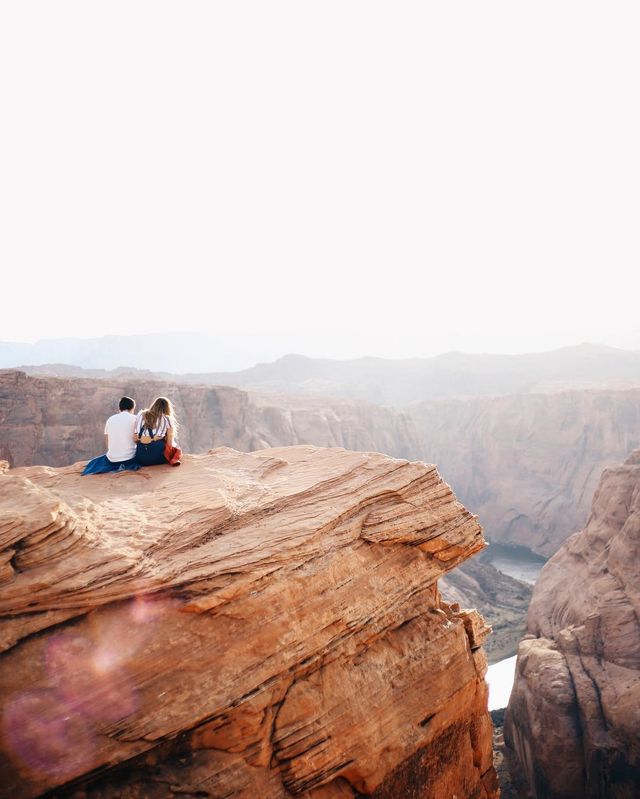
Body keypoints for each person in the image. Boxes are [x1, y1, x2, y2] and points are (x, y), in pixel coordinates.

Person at [82, 397, 141, 475]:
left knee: (96, 461)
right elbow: (137, 439)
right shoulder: (136, 419)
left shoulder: (110, 419)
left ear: (119, 408)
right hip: (129, 459)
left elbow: (107, 441)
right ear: (132, 408)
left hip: (112, 459)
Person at [134, 396, 178, 467]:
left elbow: (135, 437)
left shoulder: (141, 414)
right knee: (177, 451)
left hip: (140, 457)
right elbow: (170, 440)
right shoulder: (166, 418)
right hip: (157, 458)